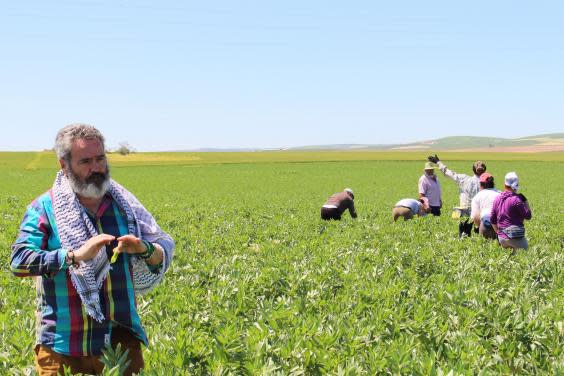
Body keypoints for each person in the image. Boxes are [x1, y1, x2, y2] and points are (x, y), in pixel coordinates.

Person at [11, 124, 175, 375]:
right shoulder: (44, 208)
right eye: (85, 161)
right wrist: (73, 256)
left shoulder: (125, 207)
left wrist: (143, 248)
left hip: (121, 344)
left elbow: (159, 252)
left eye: (100, 158)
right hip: (62, 347)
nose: (96, 167)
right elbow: (20, 261)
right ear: (64, 165)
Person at [490, 172, 532, 250]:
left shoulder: (497, 198)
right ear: (515, 185)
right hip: (514, 236)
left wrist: (499, 233)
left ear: (504, 184)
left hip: (502, 238)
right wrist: (525, 201)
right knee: (526, 253)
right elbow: (528, 216)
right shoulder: (516, 199)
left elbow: (492, 220)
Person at [470, 173, 501, 239]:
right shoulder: (501, 194)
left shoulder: (477, 196)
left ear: (481, 184)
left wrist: (479, 227)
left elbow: (475, 217)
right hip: (501, 227)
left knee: (485, 244)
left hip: (486, 225)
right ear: (493, 183)